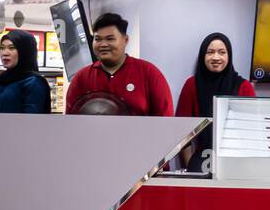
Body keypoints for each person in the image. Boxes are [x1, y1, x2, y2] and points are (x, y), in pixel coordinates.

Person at [65, 12, 173, 116]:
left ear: (125, 40)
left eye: (110, 39)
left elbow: (165, 119)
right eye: (97, 39)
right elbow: (70, 122)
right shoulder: (81, 78)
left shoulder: (148, 73)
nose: (103, 44)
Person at [176, 32, 255, 171]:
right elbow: (181, 130)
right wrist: (190, 166)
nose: (216, 57)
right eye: (210, 52)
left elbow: (251, 132)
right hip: (202, 158)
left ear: (229, 56)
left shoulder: (244, 87)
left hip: (236, 160)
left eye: (222, 52)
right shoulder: (192, 85)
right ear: (203, 56)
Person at [0, 29, 51, 114]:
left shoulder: (33, 82)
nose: (5, 53)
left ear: (25, 51)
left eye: (11, 48)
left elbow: (32, 121)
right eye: (2, 48)